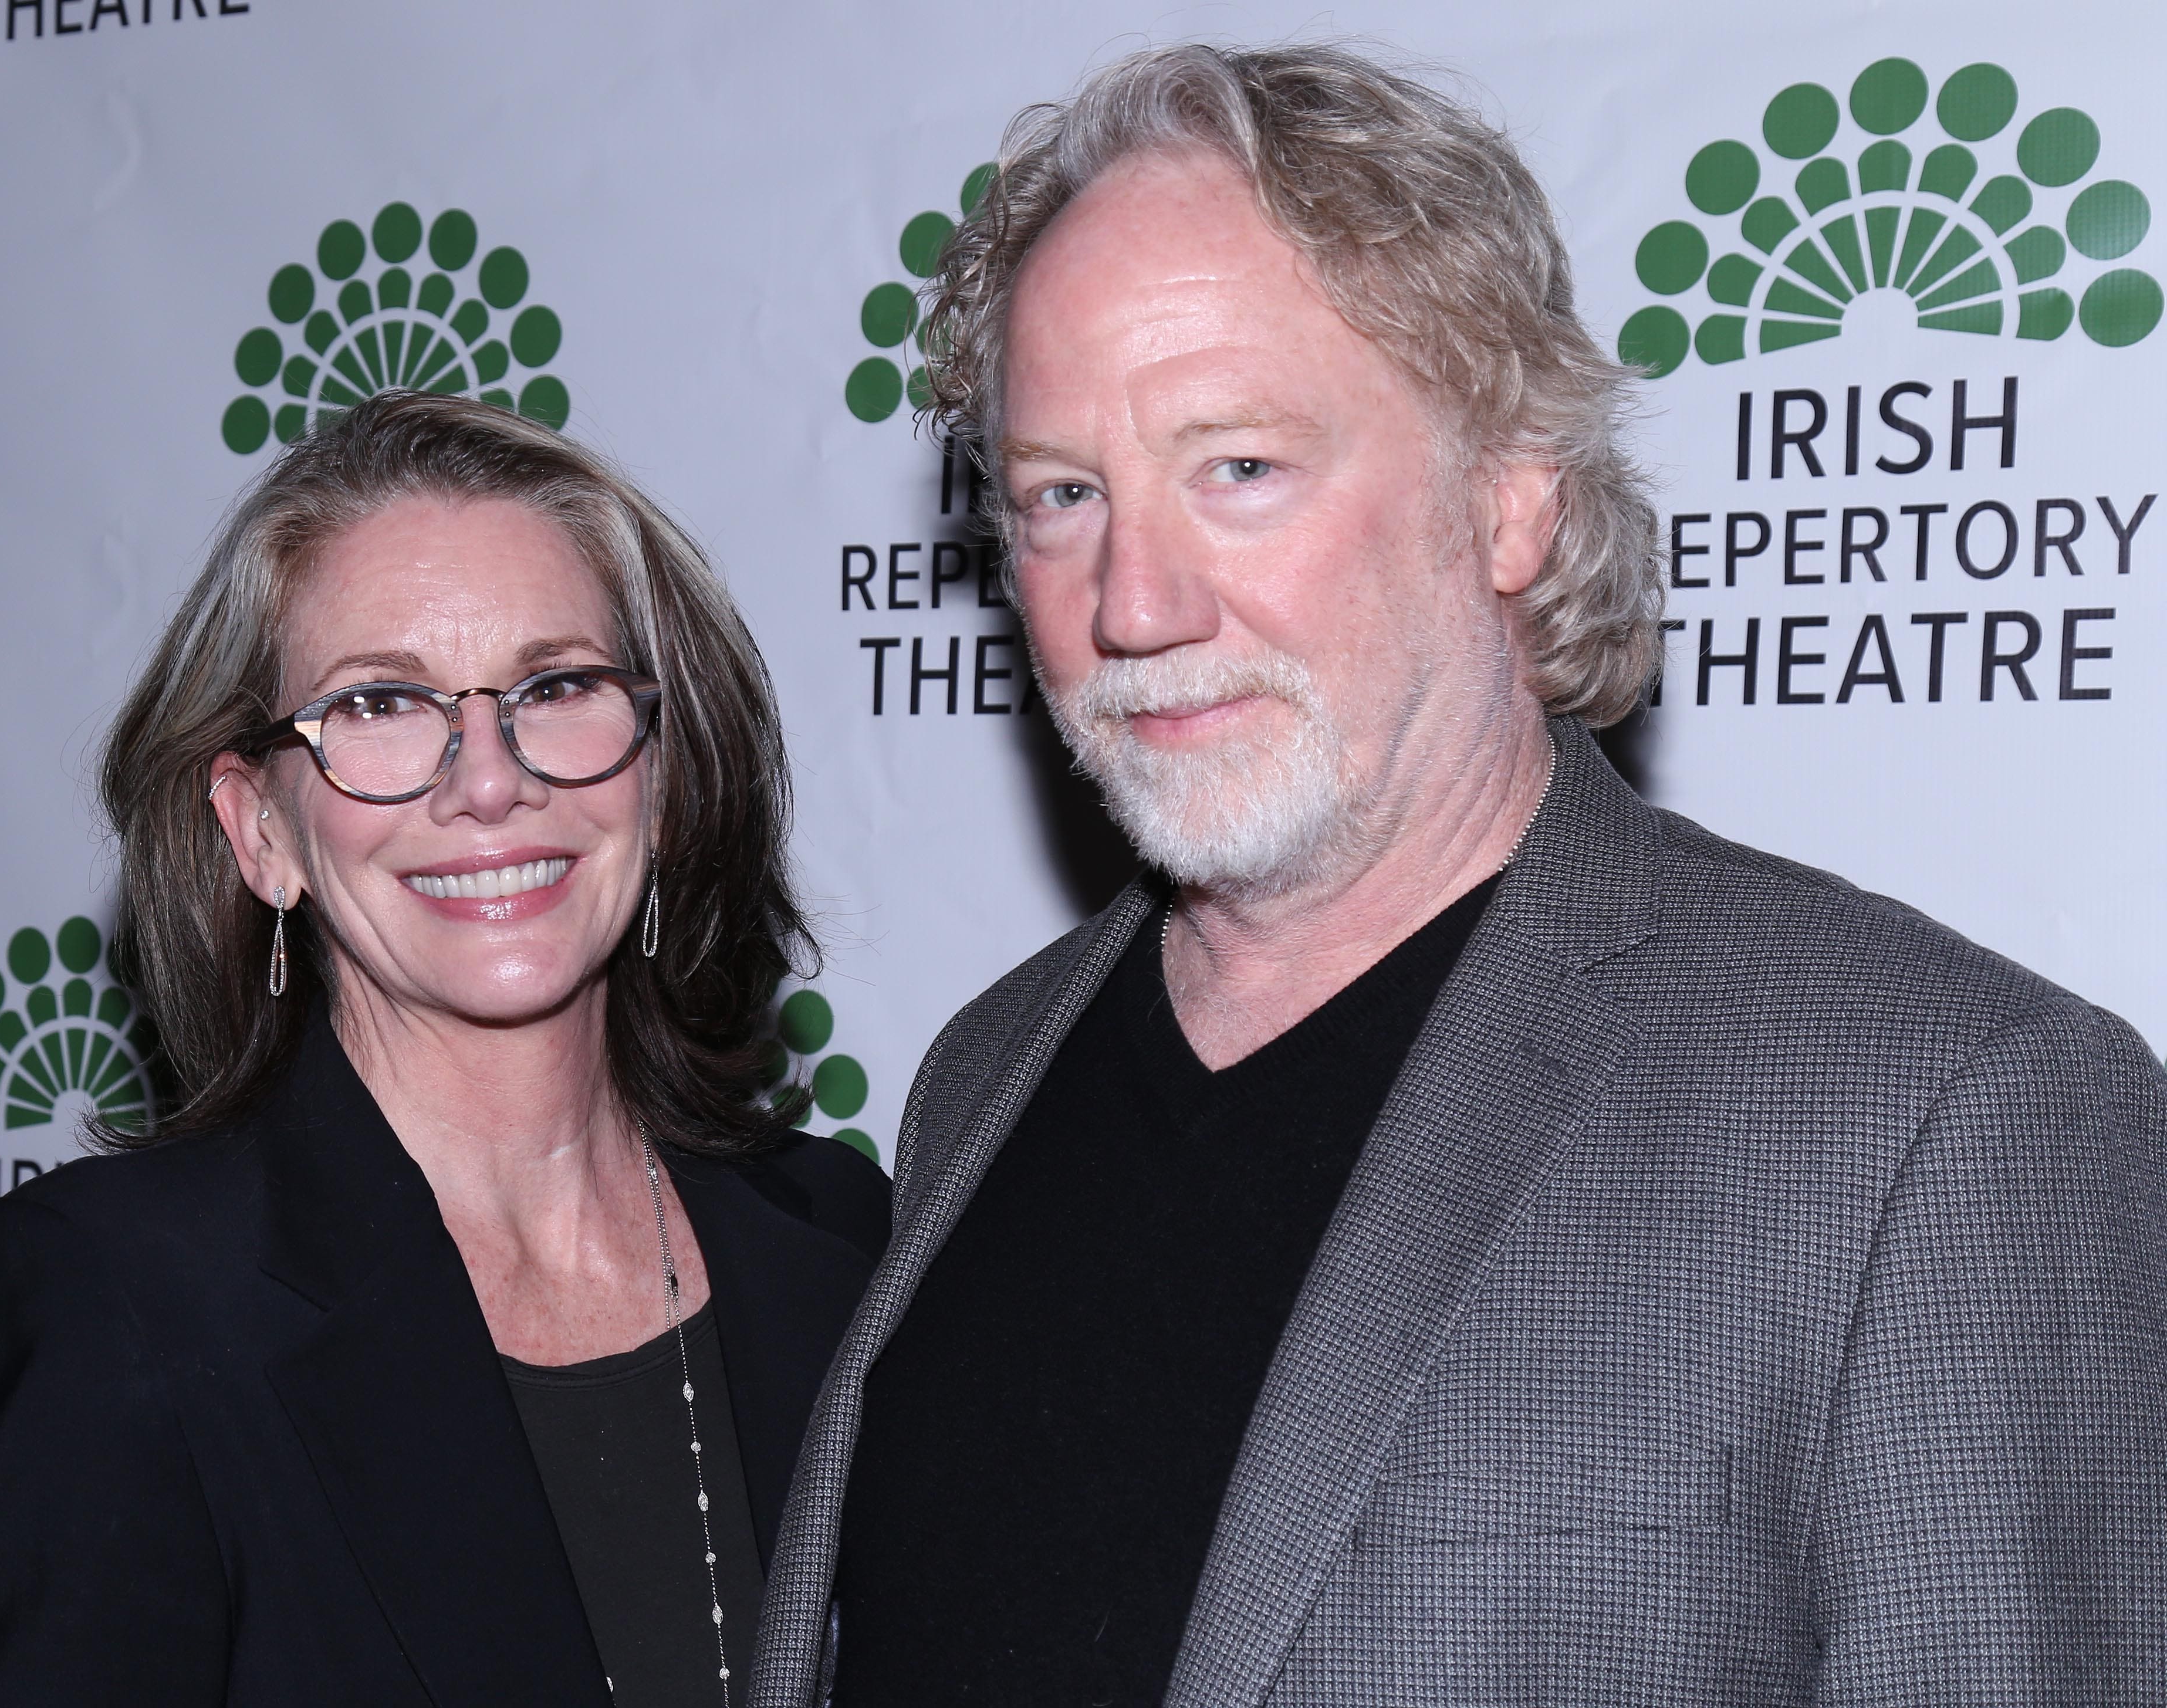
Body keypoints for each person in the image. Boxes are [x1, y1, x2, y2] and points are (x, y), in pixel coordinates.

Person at [751, 42, 2167, 1708]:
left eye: (1239, 468)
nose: (1133, 603)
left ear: (1509, 500)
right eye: (1064, 494)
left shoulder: (1940, 1119)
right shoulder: (986, 1071)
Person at [0, 391, 888, 1707]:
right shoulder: (114, 1307)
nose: (489, 780)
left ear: (664, 775)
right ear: (261, 832)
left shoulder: (845, 1244)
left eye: (558, 686)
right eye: (381, 704)